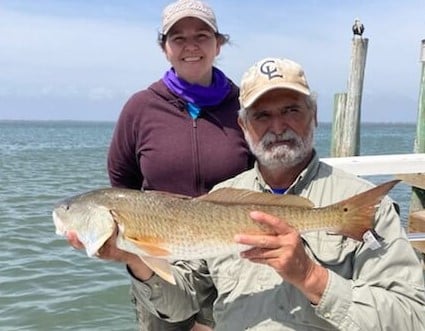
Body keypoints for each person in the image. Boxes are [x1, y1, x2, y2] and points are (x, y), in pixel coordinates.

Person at [69, 56, 425, 330]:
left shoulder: (363, 204)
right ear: (242, 125)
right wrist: (133, 256)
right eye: (261, 115)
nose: (278, 126)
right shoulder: (217, 199)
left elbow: (412, 317)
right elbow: (180, 306)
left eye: (291, 110)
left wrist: (312, 278)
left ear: (314, 115)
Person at [98, 0, 252, 329]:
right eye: (178, 38)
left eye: (201, 35)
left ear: (218, 43)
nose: (191, 46)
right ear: (164, 47)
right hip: (160, 262)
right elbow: (121, 184)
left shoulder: (244, 105)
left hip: (233, 261)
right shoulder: (140, 108)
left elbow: (264, 177)